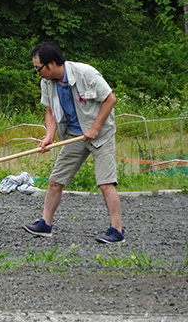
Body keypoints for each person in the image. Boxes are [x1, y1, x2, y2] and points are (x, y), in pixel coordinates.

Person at [23, 42, 125, 243]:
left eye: (38, 68)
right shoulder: (47, 83)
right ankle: (45, 223)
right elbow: (50, 111)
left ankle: (117, 230)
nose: (37, 72)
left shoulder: (86, 74)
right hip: (74, 135)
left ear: (51, 64)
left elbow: (110, 99)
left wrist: (95, 128)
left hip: (100, 134)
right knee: (55, 181)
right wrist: (49, 137)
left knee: (105, 183)